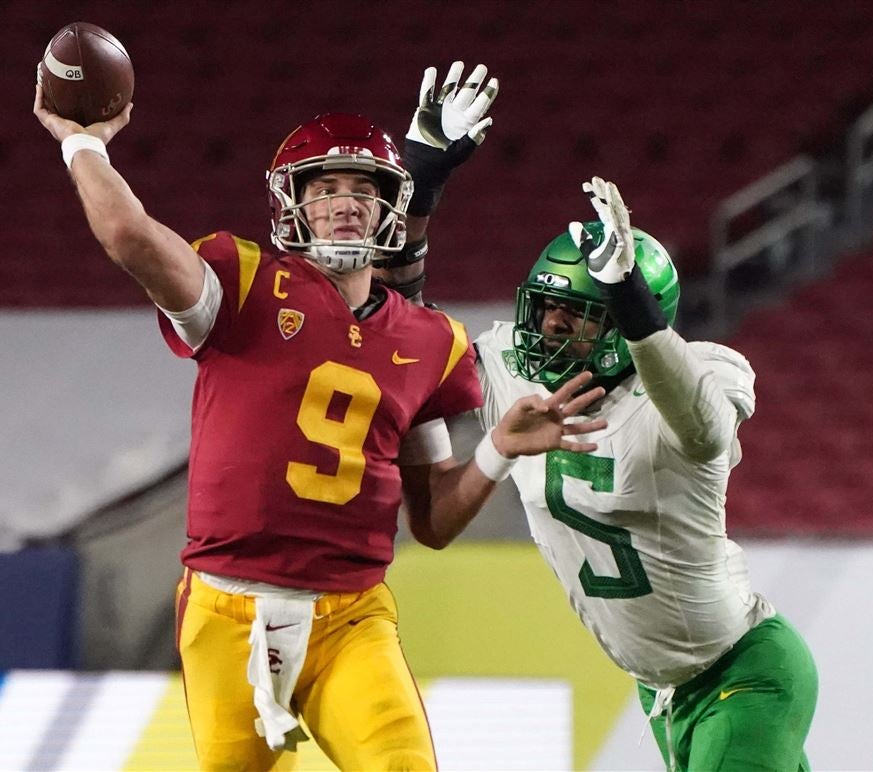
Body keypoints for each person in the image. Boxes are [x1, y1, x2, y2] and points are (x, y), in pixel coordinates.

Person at [33, 64, 608, 771]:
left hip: (351, 618)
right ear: (291, 205)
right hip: (226, 612)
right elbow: (127, 235)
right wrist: (80, 143)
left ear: (390, 210)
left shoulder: (432, 342)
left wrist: (497, 449)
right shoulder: (239, 283)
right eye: (325, 187)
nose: (345, 202)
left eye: (363, 189)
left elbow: (432, 523)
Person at [471, 177, 819, 771]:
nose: (551, 325)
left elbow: (705, 426)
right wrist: (422, 188)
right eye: (547, 306)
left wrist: (631, 299)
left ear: (619, 324)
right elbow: (403, 336)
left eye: (576, 313)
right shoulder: (510, 370)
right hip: (662, 690)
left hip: (741, 670)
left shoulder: (692, 379)